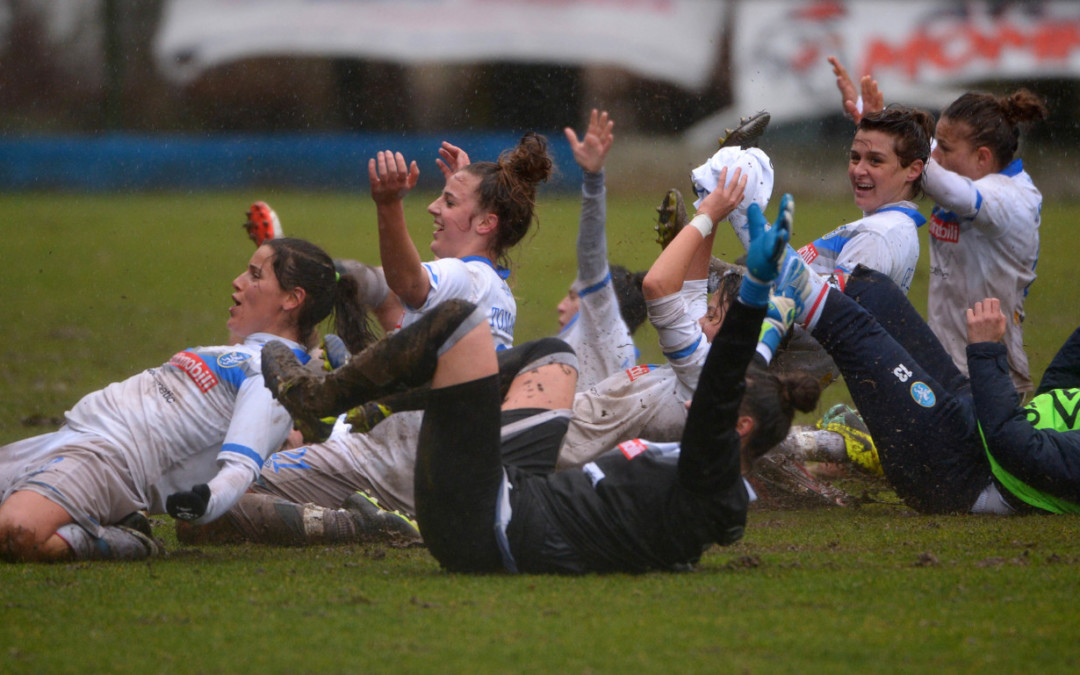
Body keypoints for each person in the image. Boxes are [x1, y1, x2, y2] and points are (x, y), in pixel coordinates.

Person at [262, 196, 822, 574]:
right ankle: (370, 408)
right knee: (551, 352)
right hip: (513, 488)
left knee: (461, 321)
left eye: (723, 402)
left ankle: (321, 399)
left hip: (483, 522)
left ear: (739, 426)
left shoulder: (711, 475)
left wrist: (754, 294)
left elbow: (721, 381)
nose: (711, 398)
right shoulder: (711, 488)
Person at [0, 238, 374, 562]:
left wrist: (204, 503)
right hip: (70, 436)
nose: (238, 282)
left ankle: (128, 541)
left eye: (255, 275)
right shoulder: (249, 354)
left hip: (109, 461)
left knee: (16, 532)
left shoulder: (273, 382)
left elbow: (241, 468)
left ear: (293, 299)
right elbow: (285, 343)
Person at [772, 241, 1080, 515]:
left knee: (850, 326)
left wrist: (986, 351)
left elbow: (1015, 445)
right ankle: (754, 286)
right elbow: (1060, 392)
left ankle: (753, 244)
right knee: (871, 290)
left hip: (963, 471)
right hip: (974, 424)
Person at [830, 56, 1047, 394]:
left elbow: (939, 180)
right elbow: (921, 157)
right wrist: (872, 120)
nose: (937, 157)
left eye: (944, 148)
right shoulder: (972, 177)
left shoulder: (1012, 199)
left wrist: (897, 151)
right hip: (945, 365)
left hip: (991, 374)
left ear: (982, 158)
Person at [370, 132, 553, 349]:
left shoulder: (469, 279)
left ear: (486, 223)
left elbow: (408, 283)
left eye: (449, 202)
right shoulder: (489, 284)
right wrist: (460, 184)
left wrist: (389, 205)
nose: (432, 207)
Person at [556, 109, 646, 390]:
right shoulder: (622, 352)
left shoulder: (601, 328)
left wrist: (593, 181)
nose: (560, 306)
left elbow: (591, 253)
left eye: (573, 297)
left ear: (604, 305)